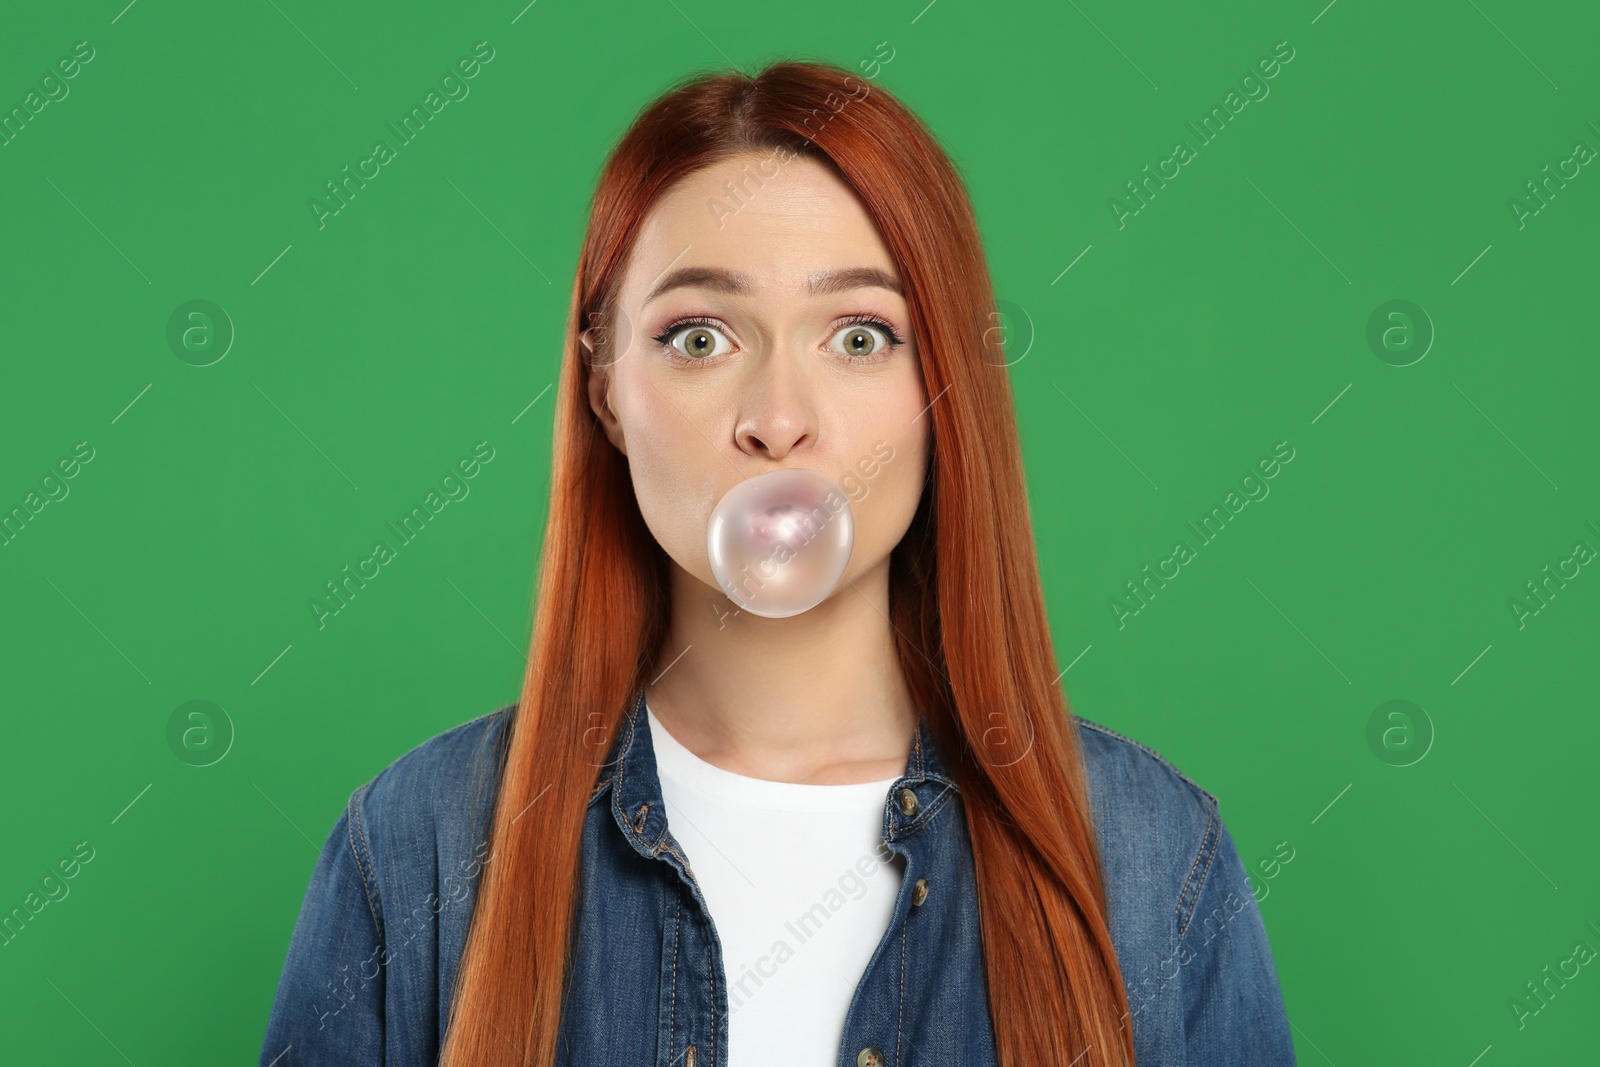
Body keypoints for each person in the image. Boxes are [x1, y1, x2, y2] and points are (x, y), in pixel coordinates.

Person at [259, 59, 1296, 1067]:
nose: (778, 420)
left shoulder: (1154, 857)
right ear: (605, 389)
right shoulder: (416, 847)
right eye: (700, 336)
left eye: (857, 336)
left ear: (945, 390)